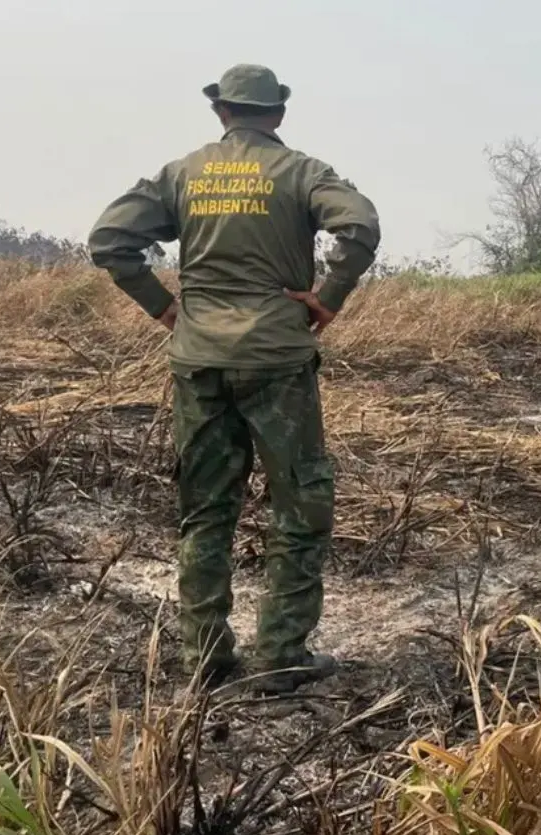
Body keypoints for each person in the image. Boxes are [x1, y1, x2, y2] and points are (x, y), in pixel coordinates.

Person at [88, 64, 381, 694]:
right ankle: (280, 657)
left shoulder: (181, 174)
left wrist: (164, 308)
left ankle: (204, 658)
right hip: (278, 358)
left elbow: (109, 238)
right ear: (276, 114)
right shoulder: (303, 172)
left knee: (206, 508)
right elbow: (358, 225)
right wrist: (328, 296)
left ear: (220, 112)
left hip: (198, 360)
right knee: (300, 504)